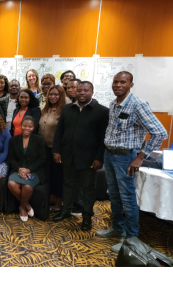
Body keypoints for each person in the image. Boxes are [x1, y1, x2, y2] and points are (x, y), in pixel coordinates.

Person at [96, 71, 167, 252]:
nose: (118, 85)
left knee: (128, 198)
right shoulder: (113, 104)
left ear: (130, 85)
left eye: (122, 82)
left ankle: (131, 239)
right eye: (115, 82)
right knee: (113, 195)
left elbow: (160, 132)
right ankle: (117, 228)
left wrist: (141, 156)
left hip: (126, 158)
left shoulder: (137, 104)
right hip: (109, 155)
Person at [53, 81, 110, 231]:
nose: (82, 93)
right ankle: (66, 211)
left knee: (88, 188)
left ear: (92, 92)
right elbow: (59, 132)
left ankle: (86, 218)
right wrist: (57, 151)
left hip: (89, 158)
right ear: (76, 92)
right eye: (80, 91)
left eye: (86, 90)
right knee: (68, 184)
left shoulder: (102, 111)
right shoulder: (67, 109)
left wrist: (99, 158)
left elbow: (103, 138)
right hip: (68, 155)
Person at [8, 116, 46, 222]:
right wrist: (19, 169)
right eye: (25, 126)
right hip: (17, 169)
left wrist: (28, 169)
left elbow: (42, 159)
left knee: (27, 187)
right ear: (21, 126)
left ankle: (22, 207)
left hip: (35, 170)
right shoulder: (14, 140)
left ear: (33, 127)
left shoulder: (39, 140)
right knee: (11, 184)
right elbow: (11, 158)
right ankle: (26, 205)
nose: (27, 128)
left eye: (30, 126)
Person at [38, 85, 67, 212]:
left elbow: (64, 133)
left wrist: (58, 150)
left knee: (58, 175)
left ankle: (59, 200)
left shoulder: (64, 111)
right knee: (48, 174)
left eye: (56, 95)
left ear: (61, 96)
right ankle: (52, 196)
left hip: (56, 150)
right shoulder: (45, 109)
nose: (53, 97)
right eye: (51, 94)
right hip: (44, 148)